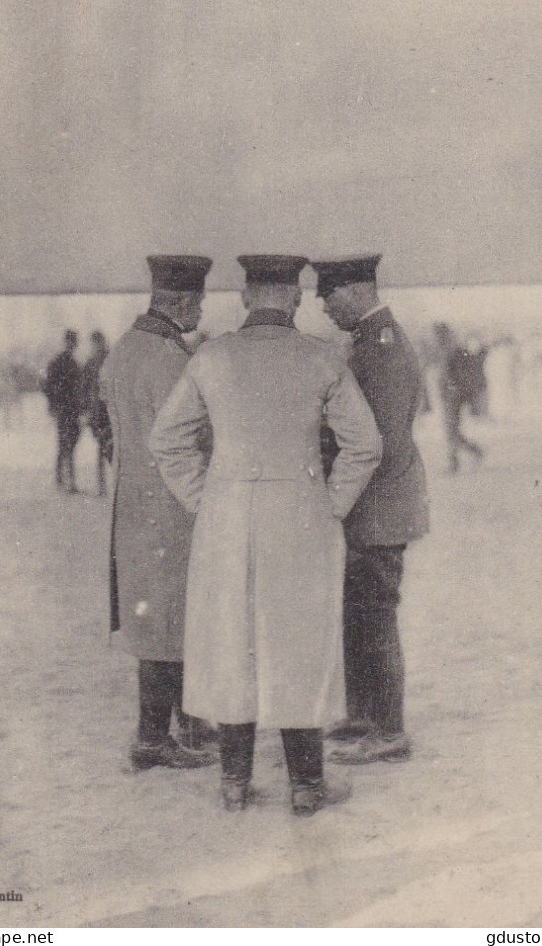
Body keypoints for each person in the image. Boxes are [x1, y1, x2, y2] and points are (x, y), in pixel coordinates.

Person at [149, 254, 382, 815]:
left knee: (233, 637)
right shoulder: (322, 357)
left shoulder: (211, 357)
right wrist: (331, 504)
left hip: (227, 517)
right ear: (296, 298)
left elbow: (167, 442)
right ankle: (305, 786)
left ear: (247, 297)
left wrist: (207, 500)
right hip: (300, 516)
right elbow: (365, 445)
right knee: (296, 641)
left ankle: (234, 782)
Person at [99, 255, 216, 772]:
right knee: (171, 622)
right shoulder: (172, 361)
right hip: (173, 507)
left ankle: (185, 725)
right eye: (199, 301)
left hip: (133, 506)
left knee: (159, 619)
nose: (201, 310)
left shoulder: (121, 353)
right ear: (180, 301)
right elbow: (192, 435)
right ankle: (153, 739)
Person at [312, 255, 430, 765]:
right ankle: (364, 715)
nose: (322, 305)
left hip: (378, 505)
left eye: (328, 295)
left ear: (356, 291)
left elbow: (370, 441)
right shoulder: (370, 340)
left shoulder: (378, 348)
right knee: (360, 613)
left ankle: (387, 730)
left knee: (374, 615)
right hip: (374, 505)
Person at [434, 322, 486, 473]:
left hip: (453, 396)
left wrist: (454, 390)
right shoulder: (447, 350)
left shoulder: (454, 350)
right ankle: (474, 451)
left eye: (438, 335)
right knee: (451, 430)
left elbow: (461, 374)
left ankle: (454, 463)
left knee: (450, 429)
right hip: (448, 396)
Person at [43, 330, 83, 493]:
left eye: (73, 343)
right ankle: (66, 481)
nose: (71, 345)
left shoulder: (73, 363)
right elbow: (48, 387)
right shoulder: (59, 363)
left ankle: (62, 479)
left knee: (68, 444)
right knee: (66, 444)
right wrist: (53, 406)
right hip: (64, 411)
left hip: (70, 411)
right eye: (70, 342)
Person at [81, 331, 113, 496]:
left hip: (110, 411)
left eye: (97, 343)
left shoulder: (112, 359)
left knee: (111, 448)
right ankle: (102, 485)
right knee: (102, 448)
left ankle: (112, 485)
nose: (95, 347)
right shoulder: (90, 364)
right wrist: (86, 410)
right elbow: (84, 389)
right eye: (93, 344)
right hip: (97, 413)